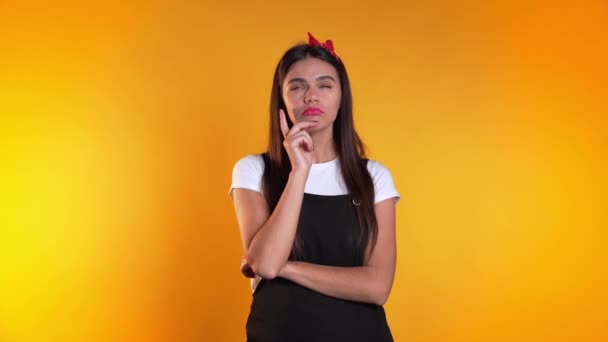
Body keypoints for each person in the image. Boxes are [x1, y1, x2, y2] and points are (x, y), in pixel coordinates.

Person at [228, 32, 400, 341]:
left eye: (324, 85)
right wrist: (299, 172)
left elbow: (377, 287)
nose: (311, 96)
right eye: (297, 87)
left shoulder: (374, 178)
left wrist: (286, 268)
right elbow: (265, 262)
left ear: (340, 98)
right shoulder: (253, 170)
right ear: (281, 99)